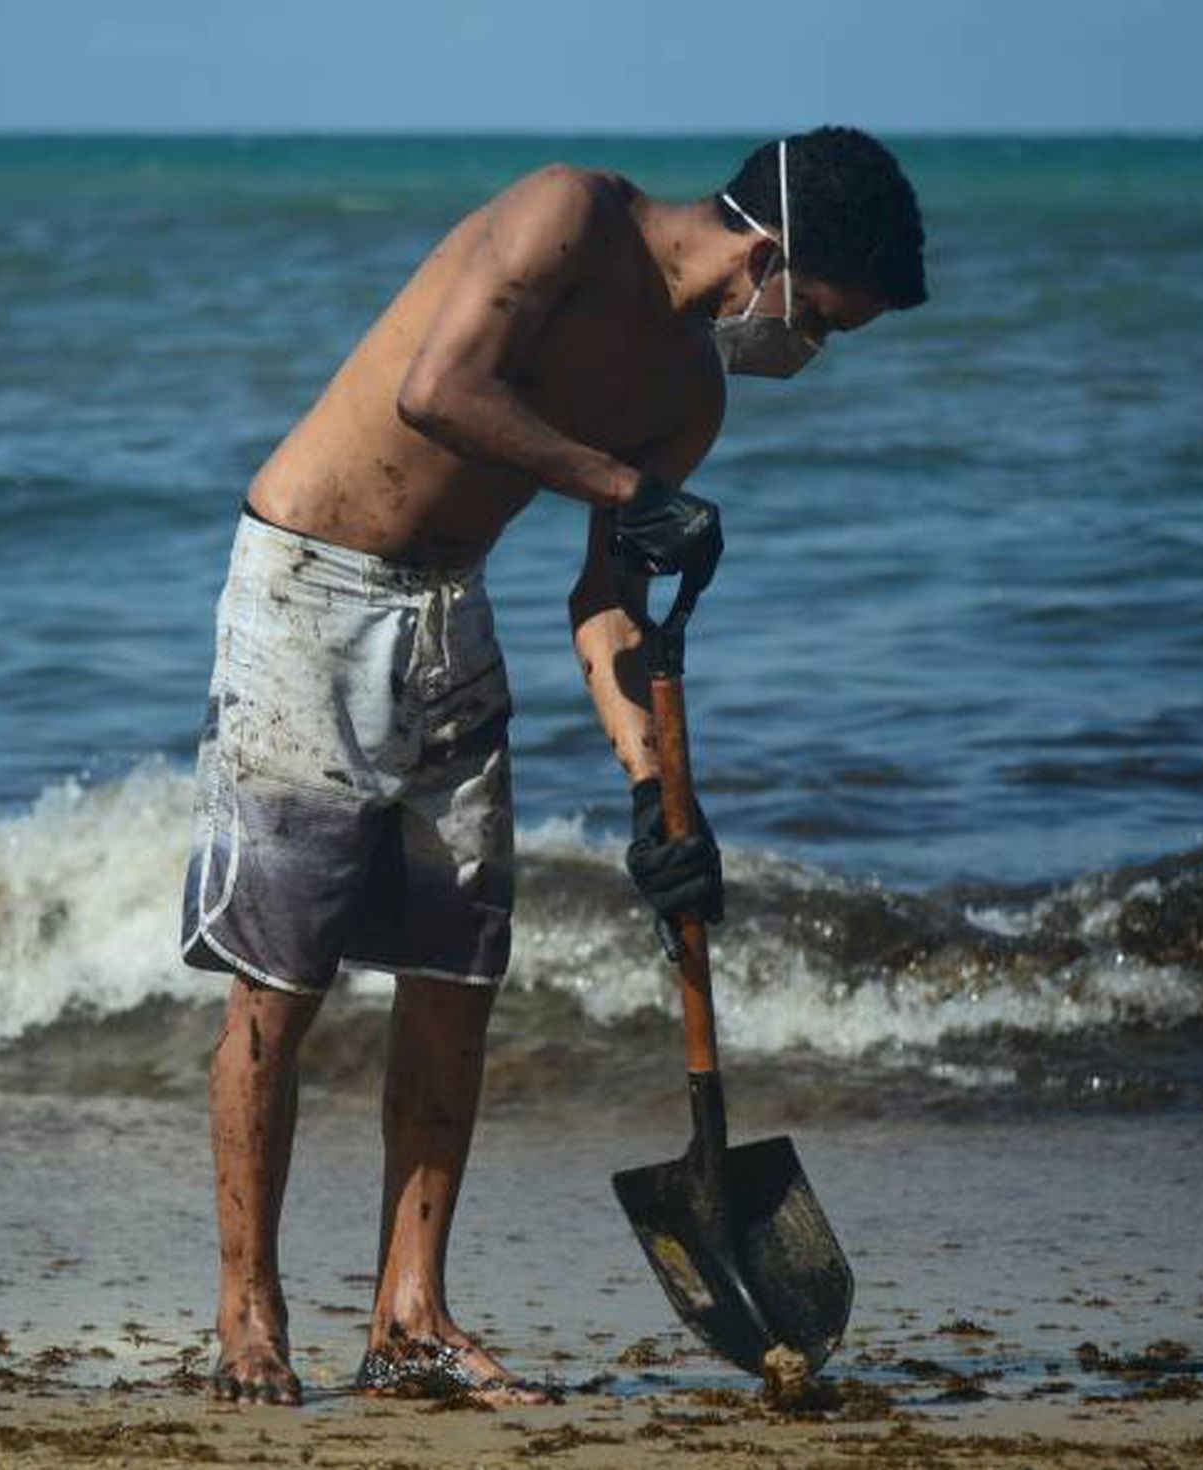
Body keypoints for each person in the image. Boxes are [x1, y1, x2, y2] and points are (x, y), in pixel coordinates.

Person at [181, 126, 927, 1406]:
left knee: (457, 969)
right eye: (823, 321)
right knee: (280, 981)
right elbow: (441, 389)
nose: (811, 351)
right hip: (308, 588)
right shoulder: (564, 218)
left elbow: (605, 603)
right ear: (769, 255)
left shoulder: (692, 392)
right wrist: (627, 482)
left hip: (447, 609)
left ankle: (409, 1315)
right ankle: (249, 1313)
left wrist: (657, 799)